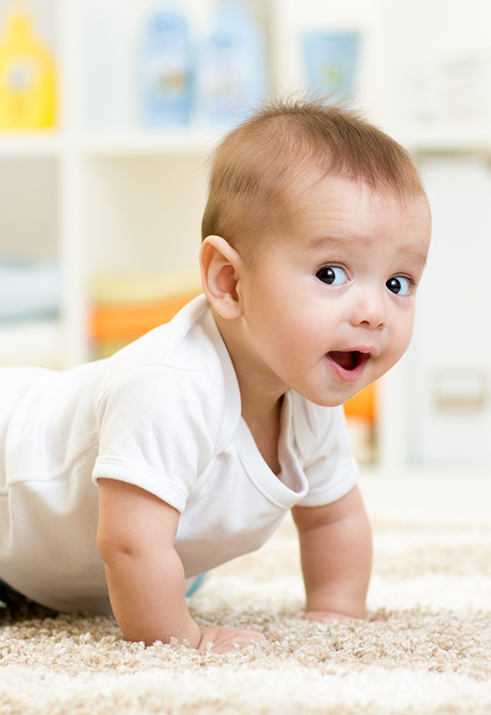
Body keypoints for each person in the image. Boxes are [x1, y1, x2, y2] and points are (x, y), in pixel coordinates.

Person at [0, 99, 431, 654]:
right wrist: (183, 636)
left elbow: (332, 520)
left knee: (167, 556)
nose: (374, 310)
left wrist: (336, 612)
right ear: (229, 281)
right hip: (12, 491)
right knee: (147, 551)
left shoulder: (306, 398)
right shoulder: (168, 386)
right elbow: (129, 547)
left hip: (66, 566)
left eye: (399, 282)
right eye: (332, 273)